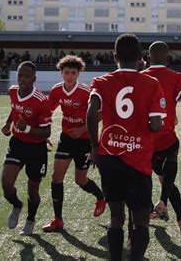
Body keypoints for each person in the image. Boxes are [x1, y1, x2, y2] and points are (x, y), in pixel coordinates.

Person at [86, 33, 166, 260]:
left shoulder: (101, 82)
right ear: (141, 57)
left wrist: (94, 145)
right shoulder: (151, 83)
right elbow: (156, 125)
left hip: (109, 156)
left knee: (116, 218)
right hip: (139, 160)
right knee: (140, 220)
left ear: (115, 56)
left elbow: (91, 114)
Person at [142, 41, 181, 233]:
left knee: (141, 180)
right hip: (166, 138)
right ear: (168, 59)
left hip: (144, 141)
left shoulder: (139, 77)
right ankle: (179, 217)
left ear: (148, 59)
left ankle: (151, 210)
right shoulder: (175, 77)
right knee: (167, 176)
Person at [42, 55, 106, 232]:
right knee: (56, 178)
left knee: (80, 180)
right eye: (66, 72)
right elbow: (46, 111)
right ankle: (58, 220)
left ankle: (101, 197)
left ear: (78, 74)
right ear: (61, 73)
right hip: (66, 139)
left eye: (73, 72)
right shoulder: (56, 91)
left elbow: (99, 115)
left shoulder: (86, 92)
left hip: (85, 141)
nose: (69, 76)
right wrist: (44, 130)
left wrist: (81, 129)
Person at [1, 61, 52, 235]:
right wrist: (8, 123)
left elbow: (47, 132)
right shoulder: (13, 91)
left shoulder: (41, 101)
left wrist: (28, 128)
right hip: (17, 144)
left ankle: (30, 220)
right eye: (20, 75)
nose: (22, 79)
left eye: (27, 76)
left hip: (36, 150)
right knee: (7, 184)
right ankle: (17, 205)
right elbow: (14, 108)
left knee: (33, 189)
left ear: (34, 79)